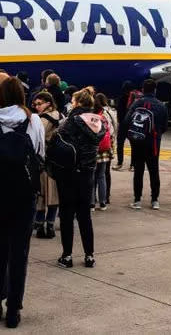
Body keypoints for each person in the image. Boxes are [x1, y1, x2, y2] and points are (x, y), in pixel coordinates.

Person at [0, 77, 45, 328]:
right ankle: (14, 310)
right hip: (25, 195)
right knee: (20, 253)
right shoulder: (33, 120)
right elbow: (39, 152)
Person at [54, 90, 104, 268]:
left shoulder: (71, 121)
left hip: (69, 172)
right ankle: (89, 255)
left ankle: (67, 255)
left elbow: (58, 137)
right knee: (85, 216)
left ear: (76, 103)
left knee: (67, 215)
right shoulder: (98, 121)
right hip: (88, 172)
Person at [124, 79, 168, 210]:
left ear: (143, 89)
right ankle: (155, 200)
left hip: (138, 142)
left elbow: (127, 121)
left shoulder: (137, 103)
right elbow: (165, 126)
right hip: (153, 143)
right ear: (155, 90)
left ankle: (137, 200)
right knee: (154, 171)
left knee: (138, 171)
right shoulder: (161, 105)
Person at [32, 91, 61, 239]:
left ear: (48, 103)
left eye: (39, 104)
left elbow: (37, 136)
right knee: (54, 194)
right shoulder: (60, 115)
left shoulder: (43, 119)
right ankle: (50, 224)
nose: (36, 107)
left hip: (45, 161)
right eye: (35, 104)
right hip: (57, 161)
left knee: (42, 193)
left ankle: (41, 224)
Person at [93, 93, 117, 209]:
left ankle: (92, 203)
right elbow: (113, 130)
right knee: (102, 175)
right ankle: (103, 201)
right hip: (105, 148)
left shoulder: (90, 115)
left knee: (92, 176)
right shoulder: (108, 114)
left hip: (93, 148)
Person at [114, 81, 135, 170]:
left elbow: (119, 112)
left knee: (120, 144)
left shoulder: (121, 98)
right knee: (134, 145)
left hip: (123, 124)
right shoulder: (135, 98)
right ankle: (133, 165)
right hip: (132, 124)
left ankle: (119, 163)